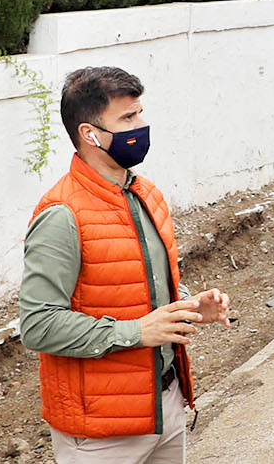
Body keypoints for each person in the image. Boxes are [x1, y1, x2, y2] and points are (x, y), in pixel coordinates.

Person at [19, 66, 231, 464]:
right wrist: (136, 332)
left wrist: (189, 305)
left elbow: (141, 285)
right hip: (101, 433)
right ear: (90, 134)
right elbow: (37, 325)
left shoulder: (146, 193)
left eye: (140, 113)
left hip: (164, 406)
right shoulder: (61, 214)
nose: (143, 124)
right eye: (128, 118)